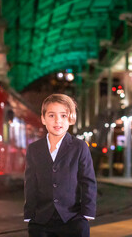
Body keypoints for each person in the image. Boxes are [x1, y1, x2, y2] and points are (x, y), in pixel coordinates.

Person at [24, 94, 97, 237]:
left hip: (73, 219)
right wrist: (29, 214)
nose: (58, 121)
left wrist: (87, 213)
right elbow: (30, 183)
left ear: (70, 119)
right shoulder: (34, 149)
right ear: (43, 119)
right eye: (51, 115)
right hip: (41, 221)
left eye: (63, 116)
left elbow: (88, 181)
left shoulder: (79, 146)